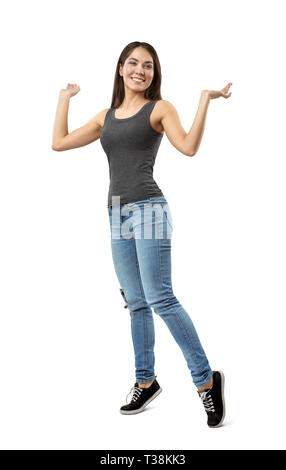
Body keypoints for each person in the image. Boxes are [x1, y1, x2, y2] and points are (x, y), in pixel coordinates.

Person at [52, 41, 232, 428]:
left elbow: (188, 147)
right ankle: (145, 380)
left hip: (149, 209)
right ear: (120, 69)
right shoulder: (106, 117)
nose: (140, 70)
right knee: (135, 301)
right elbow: (59, 142)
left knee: (160, 298)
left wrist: (204, 100)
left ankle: (205, 381)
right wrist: (64, 97)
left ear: (154, 73)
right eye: (133, 63)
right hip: (115, 212)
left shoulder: (160, 109)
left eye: (148, 65)